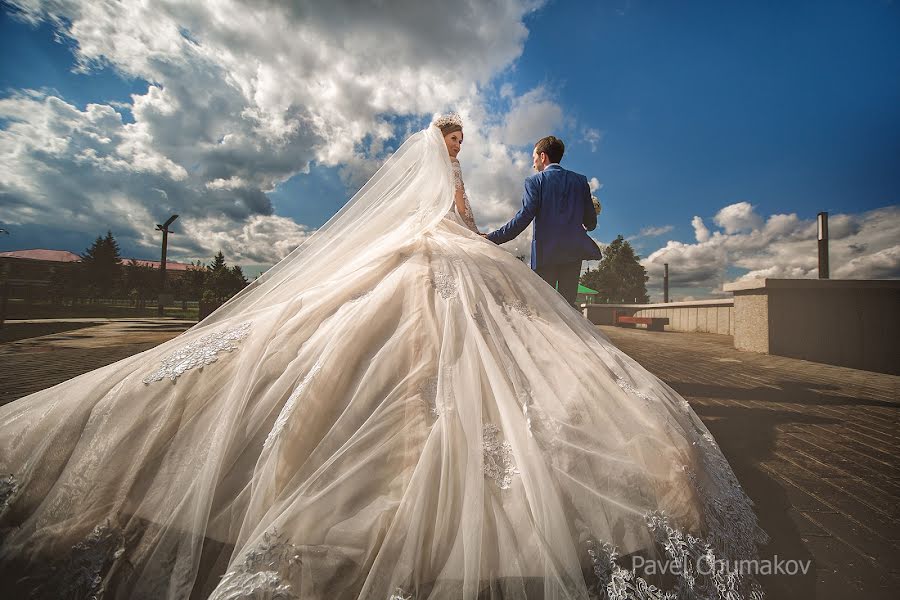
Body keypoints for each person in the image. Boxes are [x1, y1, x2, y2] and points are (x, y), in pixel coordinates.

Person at [0, 114, 767, 600]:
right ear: (447, 146)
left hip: (514, 252)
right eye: (456, 142)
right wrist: (489, 240)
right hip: (546, 257)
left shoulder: (526, 177)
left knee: (540, 330)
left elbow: (502, 218)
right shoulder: (555, 180)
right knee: (555, 330)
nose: (458, 150)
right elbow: (491, 218)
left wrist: (489, 240)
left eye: (459, 143)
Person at [485, 136, 602, 306]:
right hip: (573, 254)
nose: (533, 164)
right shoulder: (580, 181)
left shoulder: (534, 181)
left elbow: (524, 217)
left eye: (533, 158)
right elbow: (591, 223)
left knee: (545, 309)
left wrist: (493, 238)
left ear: (542, 156)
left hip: (545, 255)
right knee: (568, 307)